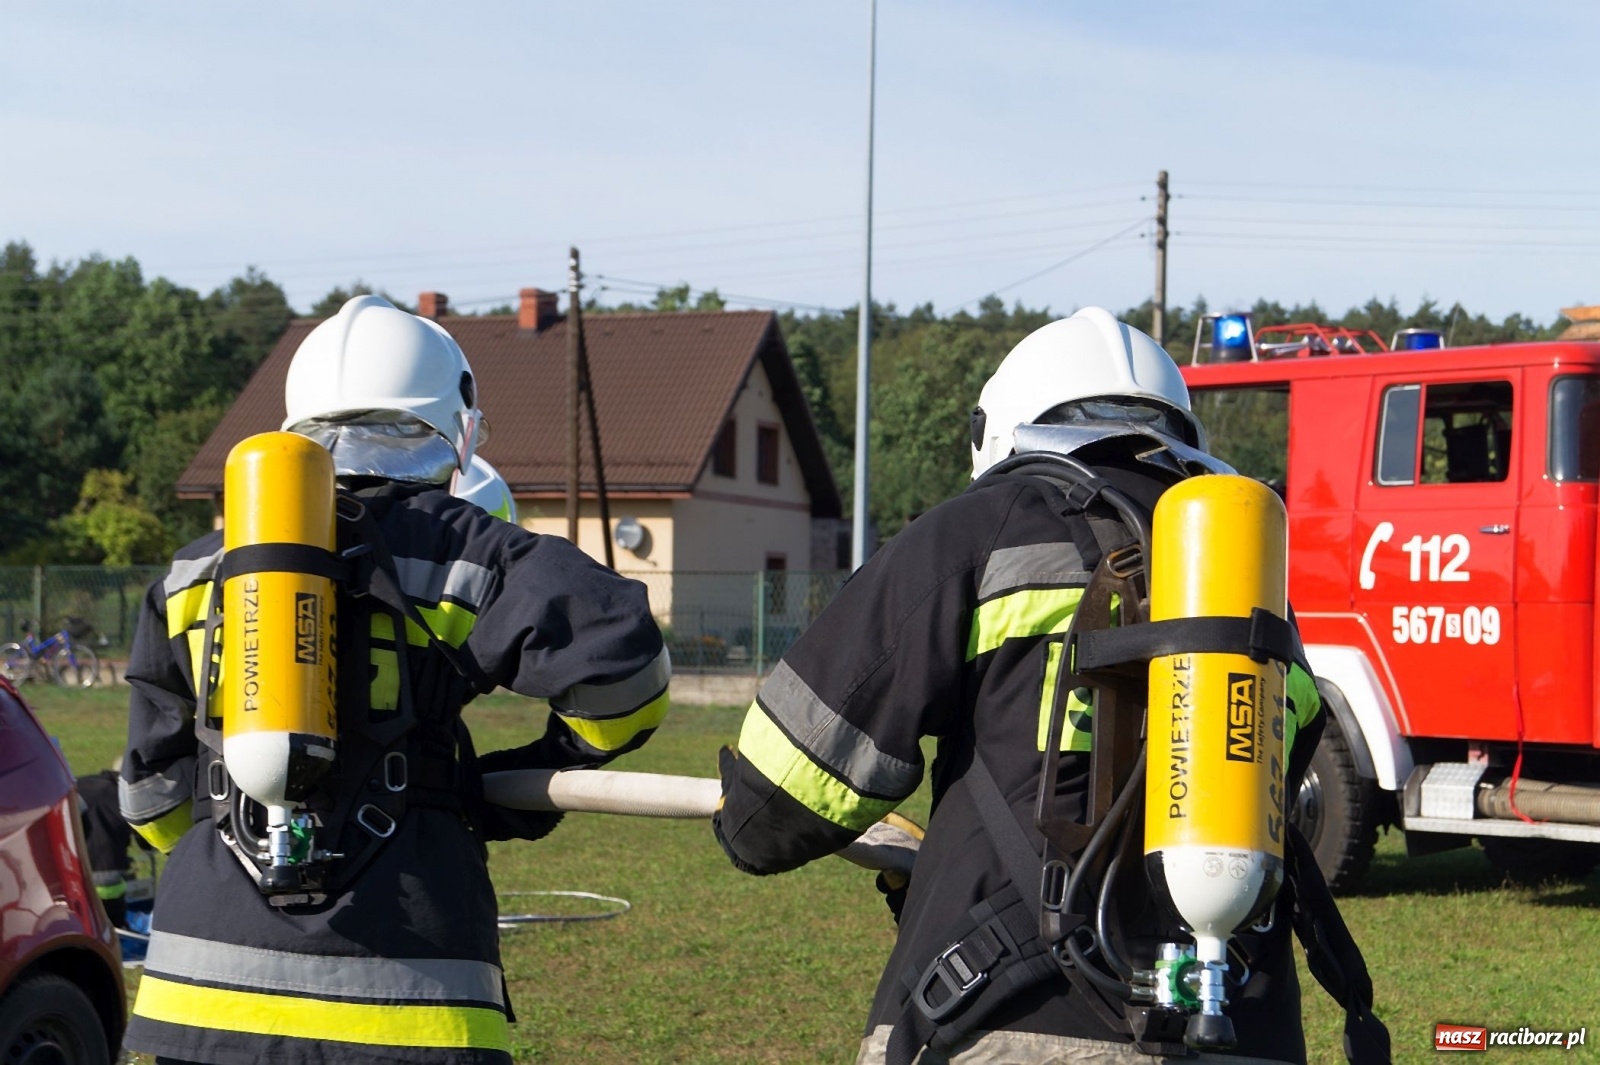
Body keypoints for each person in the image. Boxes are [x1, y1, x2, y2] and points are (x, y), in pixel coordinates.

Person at [715, 308, 1384, 1064]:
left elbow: (778, 797)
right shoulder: (1249, 579)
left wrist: (739, 812)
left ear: (1000, 429)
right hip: (1241, 1026)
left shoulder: (976, 532)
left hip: (1006, 1018)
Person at [119, 295, 670, 1065]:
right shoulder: (468, 552)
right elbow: (627, 678)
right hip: (407, 994)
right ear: (456, 425)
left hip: (203, 996)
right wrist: (531, 771)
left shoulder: (194, 574)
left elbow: (152, 798)